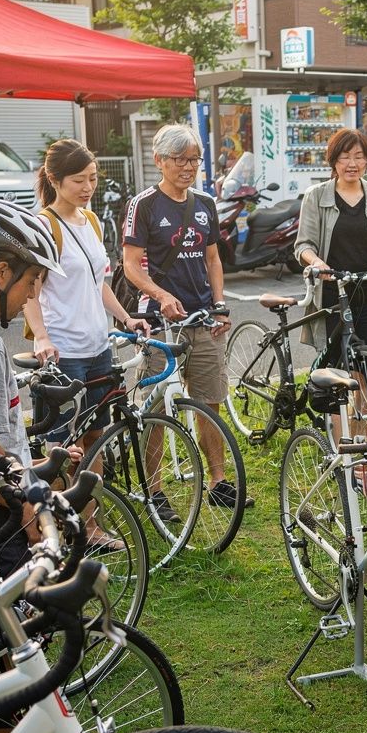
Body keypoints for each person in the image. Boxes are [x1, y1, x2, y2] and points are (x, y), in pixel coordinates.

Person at [0, 195, 69, 733]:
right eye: (33, 279)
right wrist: (32, 499)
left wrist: (36, 467)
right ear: (2, 271)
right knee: (0, 674)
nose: (36, 294)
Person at [23, 139, 150, 547]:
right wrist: (42, 336)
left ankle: (90, 526)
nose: (88, 187)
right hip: (63, 353)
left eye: (93, 178)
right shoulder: (44, 226)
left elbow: (100, 284)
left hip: (98, 348)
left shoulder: (92, 221)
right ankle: (54, 531)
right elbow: (29, 290)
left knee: (95, 438)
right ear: (55, 179)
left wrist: (125, 317)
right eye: (78, 180)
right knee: (64, 448)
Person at [122, 124, 237, 513]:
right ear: (159, 160)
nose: (188, 167)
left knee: (209, 402)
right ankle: (154, 491)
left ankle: (218, 481)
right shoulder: (144, 204)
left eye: (194, 160)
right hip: (158, 324)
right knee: (156, 409)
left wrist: (219, 304)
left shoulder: (205, 203)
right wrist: (161, 295)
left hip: (202, 319)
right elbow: (130, 266)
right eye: (180, 159)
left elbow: (213, 259)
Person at [295, 128, 367, 455]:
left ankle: (363, 453)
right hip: (332, 297)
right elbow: (303, 245)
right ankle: (343, 454)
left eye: (359, 156)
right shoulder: (317, 196)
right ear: (333, 161)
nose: (352, 163)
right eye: (345, 157)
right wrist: (317, 263)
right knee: (338, 380)